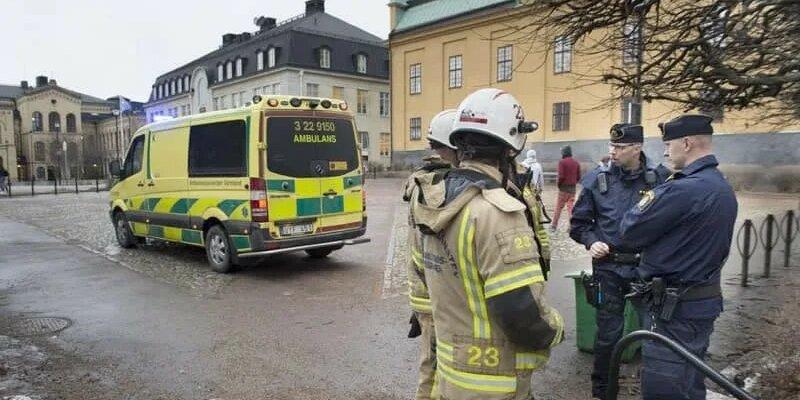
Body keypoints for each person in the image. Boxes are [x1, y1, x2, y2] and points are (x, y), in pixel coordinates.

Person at [410, 88, 564, 400]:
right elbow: (519, 312)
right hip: (494, 383)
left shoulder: (435, 201)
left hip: (453, 375)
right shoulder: (496, 212)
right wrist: (554, 329)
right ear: (510, 149)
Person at [620, 114, 737, 400]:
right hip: (701, 304)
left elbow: (629, 230)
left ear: (686, 143)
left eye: (668, 143)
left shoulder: (683, 189)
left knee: (665, 387)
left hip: (673, 311)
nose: (664, 151)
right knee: (690, 381)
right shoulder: (721, 187)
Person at [568, 123, 670, 399]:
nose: (612, 151)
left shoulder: (661, 179)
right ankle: (603, 390)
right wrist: (591, 241)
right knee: (607, 335)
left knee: (654, 332)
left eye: (620, 147)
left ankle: (654, 389)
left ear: (637, 148)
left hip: (646, 270)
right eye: (611, 145)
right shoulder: (595, 180)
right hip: (608, 269)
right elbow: (577, 225)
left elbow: (673, 226)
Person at [402, 109, 458, 400]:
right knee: (436, 365)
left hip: (424, 289)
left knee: (431, 363)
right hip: (436, 292)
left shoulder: (422, 180)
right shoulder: (444, 185)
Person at [551, 145, 580, 231]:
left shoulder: (562, 162)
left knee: (558, 207)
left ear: (564, 153)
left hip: (563, 188)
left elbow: (561, 176)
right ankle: (571, 226)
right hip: (573, 188)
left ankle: (554, 225)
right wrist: (574, 182)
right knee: (570, 207)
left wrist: (559, 185)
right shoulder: (576, 162)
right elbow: (578, 176)